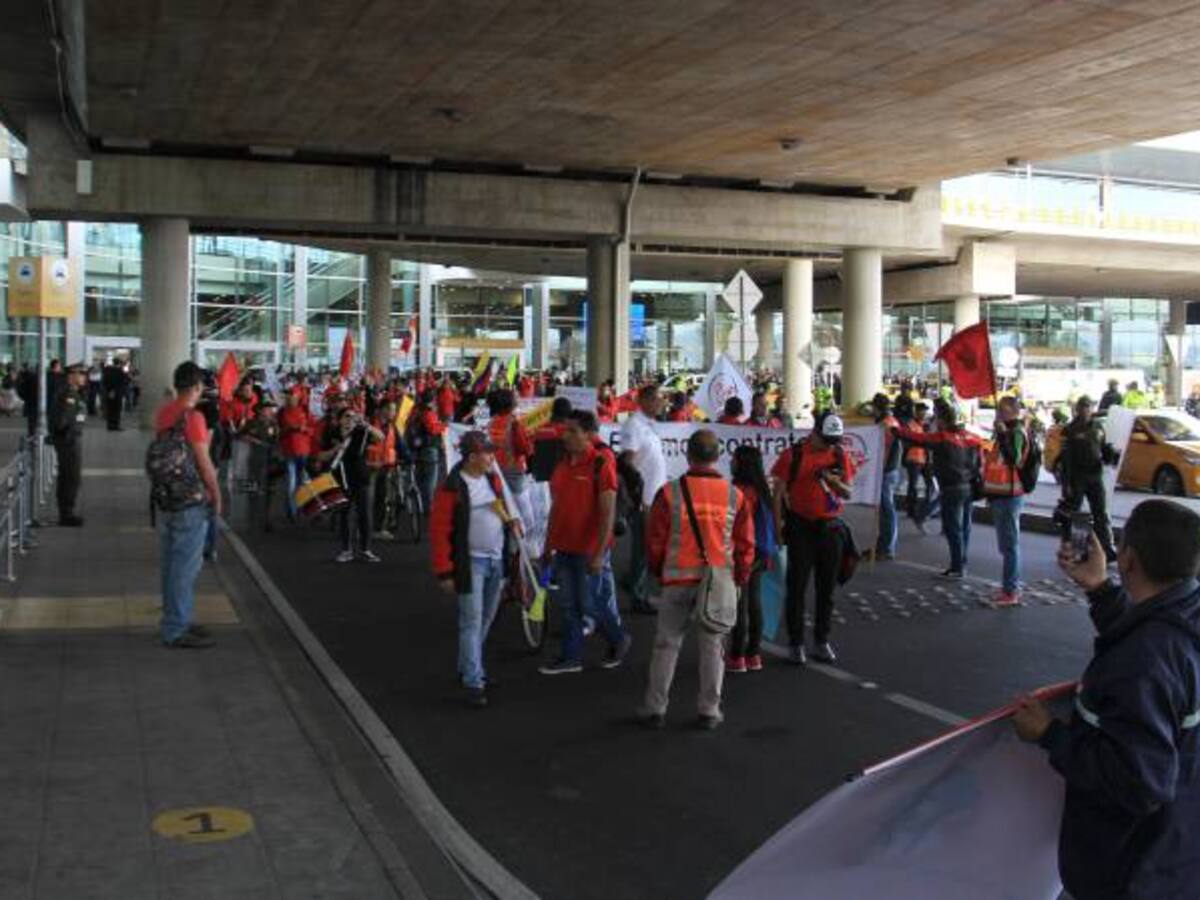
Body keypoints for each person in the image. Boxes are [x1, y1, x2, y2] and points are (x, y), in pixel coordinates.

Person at [1013, 499, 1200, 900]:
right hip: (1178, 850)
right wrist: (1100, 589)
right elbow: (1156, 639)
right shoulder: (1186, 616)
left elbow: (1139, 785)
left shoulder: (1145, 661)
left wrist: (1049, 734)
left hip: (1132, 871)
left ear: (1128, 558)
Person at [639, 429, 754, 729]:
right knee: (713, 647)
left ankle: (655, 708)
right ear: (718, 457)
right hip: (716, 583)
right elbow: (745, 545)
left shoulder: (668, 493)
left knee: (666, 645)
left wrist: (657, 570)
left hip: (677, 580)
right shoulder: (735, 496)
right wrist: (739, 578)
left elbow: (655, 541)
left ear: (688, 455)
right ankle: (708, 711)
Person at [430, 430, 523, 709]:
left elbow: (503, 509)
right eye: (488, 453)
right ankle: (473, 679)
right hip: (471, 562)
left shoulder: (492, 480)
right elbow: (440, 531)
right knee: (472, 621)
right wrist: (445, 571)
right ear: (472, 457)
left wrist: (512, 523)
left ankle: (471, 668)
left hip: (495, 560)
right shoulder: (453, 487)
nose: (492, 457)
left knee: (482, 620)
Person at [539, 411, 631, 675]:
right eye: (565, 430)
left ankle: (617, 639)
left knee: (590, 604)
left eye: (572, 431)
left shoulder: (601, 464)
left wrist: (599, 554)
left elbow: (607, 513)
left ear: (588, 435)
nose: (565, 435)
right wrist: (547, 546)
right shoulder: (562, 464)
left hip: (588, 549)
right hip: (564, 547)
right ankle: (572, 657)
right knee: (571, 606)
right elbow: (556, 508)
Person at [771, 413, 856, 665]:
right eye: (826, 439)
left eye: (835, 440)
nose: (830, 445)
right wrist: (778, 529)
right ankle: (796, 642)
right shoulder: (793, 455)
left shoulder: (839, 455)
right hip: (800, 527)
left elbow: (848, 492)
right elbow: (777, 495)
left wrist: (834, 483)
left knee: (826, 589)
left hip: (831, 529)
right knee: (796, 587)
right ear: (815, 432)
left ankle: (821, 640)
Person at [151, 362, 222, 649]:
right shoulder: (193, 418)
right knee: (184, 568)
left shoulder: (164, 412)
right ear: (196, 387)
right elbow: (204, 463)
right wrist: (217, 493)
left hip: (166, 497)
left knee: (171, 565)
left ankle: (175, 618)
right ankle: (176, 627)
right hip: (189, 500)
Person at [894, 399, 984, 579]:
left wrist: (896, 431)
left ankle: (957, 568)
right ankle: (962, 562)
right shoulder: (973, 438)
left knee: (953, 529)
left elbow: (918, 438)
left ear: (942, 421)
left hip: (951, 487)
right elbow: (980, 462)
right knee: (965, 527)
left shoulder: (943, 438)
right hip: (970, 487)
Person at [618, 384, 666, 616]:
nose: (661, 403)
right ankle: (637, 595)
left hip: (654, 498)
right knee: (643, 548)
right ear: (644, 401)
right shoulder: (634, 426)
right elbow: (627, 463)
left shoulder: (648, 425)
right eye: (657, 399)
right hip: (644, 500)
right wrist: (637, 498)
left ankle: (632, 583)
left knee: (646, 548)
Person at [727, 445, 775, 674]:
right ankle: (753, 654)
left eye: (734, 459)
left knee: (739, 605)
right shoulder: (763, 490)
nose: (730, 462)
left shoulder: (739, 491)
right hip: (762, 551)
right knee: (754, 603)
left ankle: (737, 656)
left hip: (744, 551)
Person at [317, 407, 383, 563]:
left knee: (364, 514)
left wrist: (367, 425)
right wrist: (335, 449)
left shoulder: (361, 432)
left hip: (361, 477)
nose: (350, 419)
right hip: (340, 478)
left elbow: (381, 437)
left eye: (353, 417)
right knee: (344, 515)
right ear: (340, 419)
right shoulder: (331, 434)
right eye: (347, 416)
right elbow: (321, 456)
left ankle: (366, 549)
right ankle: (346, 550)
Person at [1057, 395, 1119, 562]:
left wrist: (1111, 455)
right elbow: (1065, 459)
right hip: (1077, 477)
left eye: (1088, 407)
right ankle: (1074, 548)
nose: (1086, 410)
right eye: (1083, 407)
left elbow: (1103, 449)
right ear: (1077, 409)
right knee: (1073, 514)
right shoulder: (1070, 430)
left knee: (1101, 512)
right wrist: (1066, 483)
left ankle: (1106, 547)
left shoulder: (1098, 427)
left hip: (1095, 475)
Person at [981, 396, 1029, 605]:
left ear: (1013, 411)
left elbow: (1014, 459)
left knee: (1009, 545)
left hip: (1010, 495)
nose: (998, 413)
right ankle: (1009, 586)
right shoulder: (1007, 433)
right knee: (1006, 545)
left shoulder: (1015, 433)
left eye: (1002, 409)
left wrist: (1001, 434)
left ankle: (1011, 590)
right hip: (1000, 494)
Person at [49, 363, 88, 527]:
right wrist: (68, 433)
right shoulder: (69, 395)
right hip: (68, 441)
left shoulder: (72, 393)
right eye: (81, 374)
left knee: (69, 477)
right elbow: (62, 421)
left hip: (69, 439)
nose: (84, 377)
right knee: (70, 477)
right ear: (71, 376)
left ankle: (66, 512)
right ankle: (66, 514)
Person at [871, 393, 902, 560]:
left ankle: (886, 547)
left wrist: (878, 469)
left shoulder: (885, 424)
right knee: (884, 509)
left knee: (886, 509)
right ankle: (882, 545)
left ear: (877, 408)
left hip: (886, 471)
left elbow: (884, 450)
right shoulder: (891, 421)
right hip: (891, 469)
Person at [486, 388, 534, 495]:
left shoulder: (491, 422)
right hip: (514, 469)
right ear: (509, 403)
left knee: (503, 500)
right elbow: (524, 448)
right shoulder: (515, 423)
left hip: (496, 467)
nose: (517, 399)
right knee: (519, 505)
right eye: (515, 397)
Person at [407, 389, 446, 512]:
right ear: (432, 400)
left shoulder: (415, 410)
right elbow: (433, 430)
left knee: (420, 479)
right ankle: (428, 509)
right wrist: (443, 425)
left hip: (417, 449)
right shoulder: (428, 413)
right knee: (430, 482)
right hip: (429, 450)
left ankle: (417, 506)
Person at [902, 401, 938, 533]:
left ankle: (925, 509)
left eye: (925, 411)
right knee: (913, 486)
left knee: (931, 486)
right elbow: (907, 441)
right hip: (914, 459)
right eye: (921, 410)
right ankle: (911, 510)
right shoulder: (910, 425)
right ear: (916, 412)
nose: (923, 413)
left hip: (925, 459)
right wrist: (921, 442)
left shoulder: (926, 425)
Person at [278, 388, 313, 522]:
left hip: (303, 451)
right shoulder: (281, 412)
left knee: (303, 482)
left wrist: (304, 429)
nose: (290, 398)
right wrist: (290, 429)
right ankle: (293, 512)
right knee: (291, 483)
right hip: (289, 451)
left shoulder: (305, 411)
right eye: (288, 396)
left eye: (292, 396)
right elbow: (279, 432)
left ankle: (302, 509)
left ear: (298, 397)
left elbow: (313, 429)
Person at [102, 358, 130, 431]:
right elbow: (124, 380)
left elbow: (104, 381)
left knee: (110, 408)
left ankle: (109, 425)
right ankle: (115, 425)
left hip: (109, 392)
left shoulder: (107, 370)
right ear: (119, 363)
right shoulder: (120, 371)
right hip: (117, 392)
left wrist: (109, 390)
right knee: (117, 409)